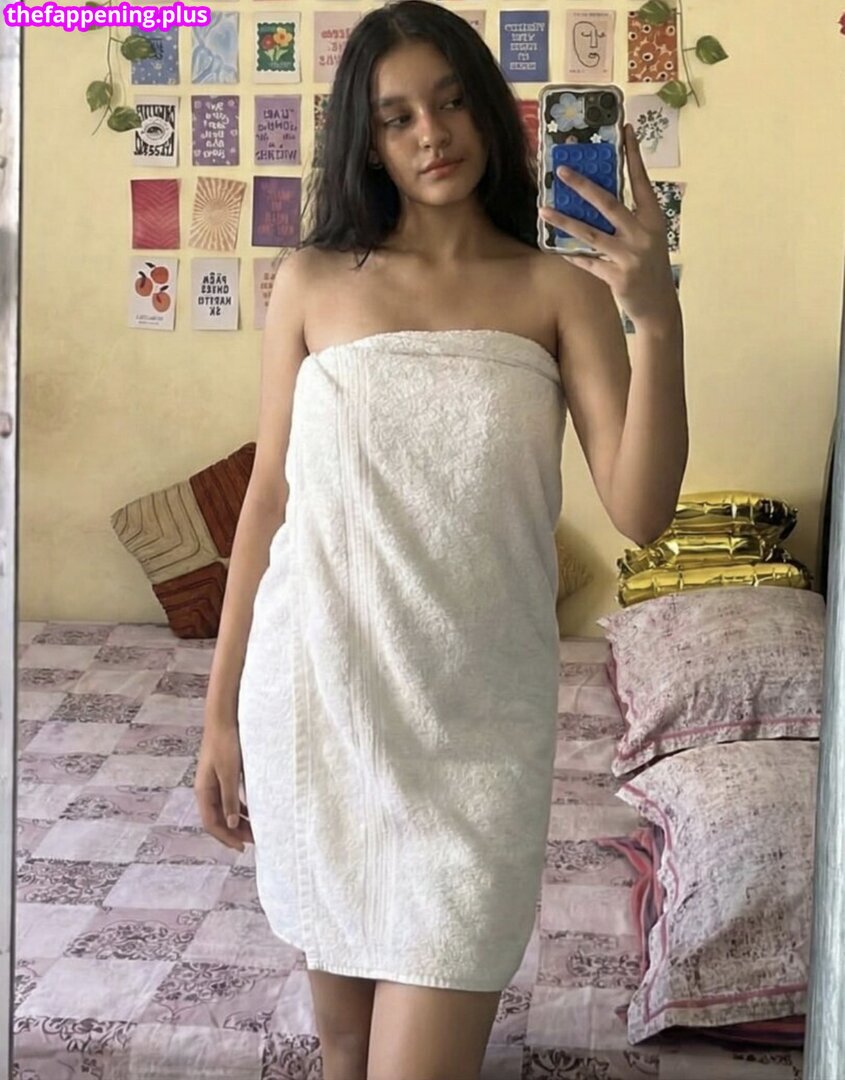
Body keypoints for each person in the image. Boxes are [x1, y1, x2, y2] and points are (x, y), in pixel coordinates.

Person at [194, 1, 688, 1077]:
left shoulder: (560, 289)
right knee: (342, 1046)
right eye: (398, 116)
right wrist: (219, 713)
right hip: (317, 707)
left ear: (491, 114)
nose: (432, 133)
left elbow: (641, 510)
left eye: (453, 101)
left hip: (474, 731)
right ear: (366, 140)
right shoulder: (311, 280)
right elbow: (269, 500)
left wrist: (656, 318)